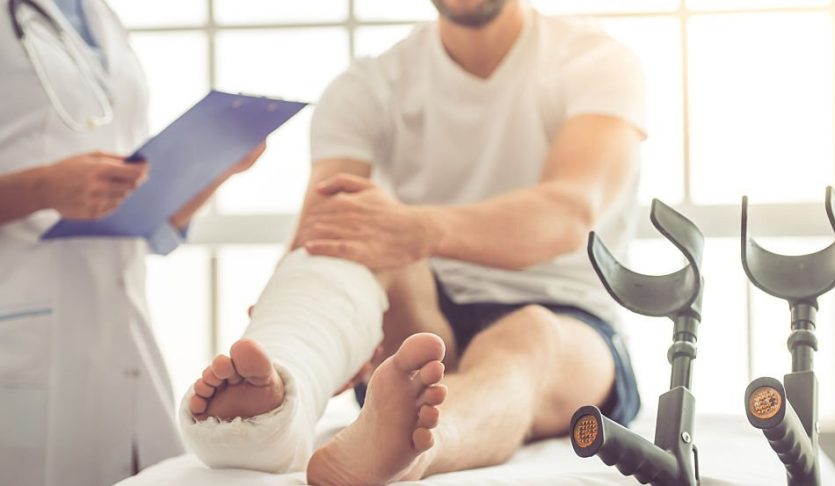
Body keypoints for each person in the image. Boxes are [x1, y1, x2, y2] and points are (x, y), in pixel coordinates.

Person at [179, 0, 645, 484]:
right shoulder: (369, 85)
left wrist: (418, 230)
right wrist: (296, 308)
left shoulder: (594, 59)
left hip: (567, 323)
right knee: (349, 243)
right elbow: (327, 231)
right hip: (420, 324)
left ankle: (416, 446)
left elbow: (568, 212)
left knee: (528, 335)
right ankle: (277, 403)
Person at [0, 0, 264, 484]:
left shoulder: (100, 16)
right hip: (19, 322)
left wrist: (214, 168)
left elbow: (140, 219)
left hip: (122, 327)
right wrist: (43, 188)